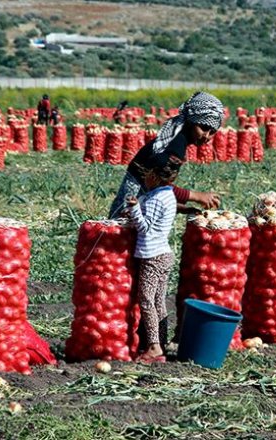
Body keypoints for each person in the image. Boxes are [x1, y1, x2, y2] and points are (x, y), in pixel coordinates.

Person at [108, 91, 223, 220]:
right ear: (191, 122)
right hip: (130, 211)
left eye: (212, 132)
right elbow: (158, 184)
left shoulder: (174, 138)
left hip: (138, 205)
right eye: (203, 128)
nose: (206, 136)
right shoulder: (176, 145)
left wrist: (181, 208)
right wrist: (197, 196)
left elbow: (157, 190)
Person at [123, 157, 180, 363]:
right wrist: (134, 212)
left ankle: (154, 346)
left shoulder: (156, 199)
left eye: (147, 174)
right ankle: (161, 343)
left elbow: (145, 228)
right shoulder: (167, 195)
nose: (144, 178)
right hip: (163, 254)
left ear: (155, 176)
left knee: (146, 300)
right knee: (158, 301)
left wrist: (134, 208)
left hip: (152, 256)